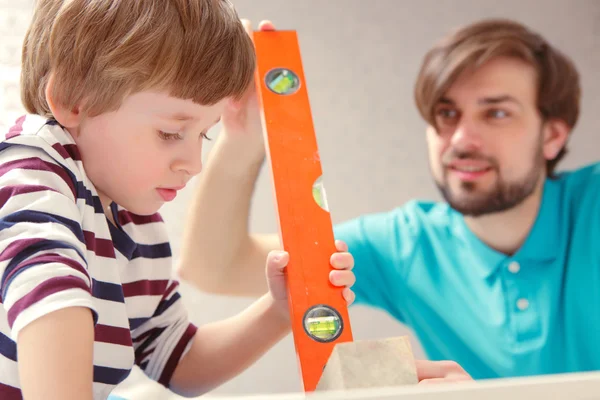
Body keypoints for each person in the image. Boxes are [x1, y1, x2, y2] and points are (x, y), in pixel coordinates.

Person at [179, 17, 598, 382]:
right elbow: (215, 269)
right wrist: (242, 138)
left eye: (497, 113)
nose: (461, 140)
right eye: (447, 114)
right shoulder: (406, 245)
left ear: (553, 135)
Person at [0, 2, 356, 399]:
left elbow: (178, 361)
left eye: (204, 134)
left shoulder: (134, 221)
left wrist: (279, 310)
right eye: (171, 133)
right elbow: (52, 297)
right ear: (72, 100)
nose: (193, 164)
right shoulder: (29, 171)